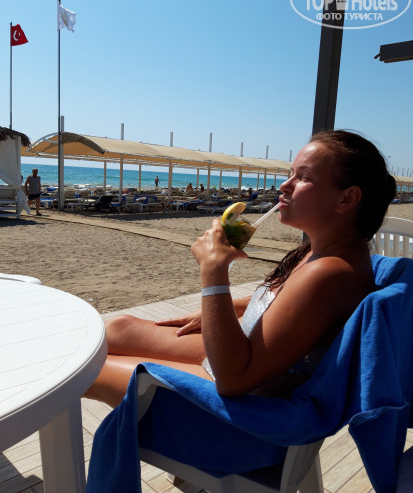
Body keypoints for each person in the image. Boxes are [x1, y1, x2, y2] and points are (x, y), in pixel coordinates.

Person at [86, 130, 396, 408]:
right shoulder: (325, 253)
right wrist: (230, 307)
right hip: (239, 356)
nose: (284, 185)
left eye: (303, 177)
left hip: (243, 405)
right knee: (119, 328)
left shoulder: (330, 272)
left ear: (347, 198)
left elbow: (234, 380)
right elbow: (291, 304)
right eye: (290, 173)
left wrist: (214, 270)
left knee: (86, 370)